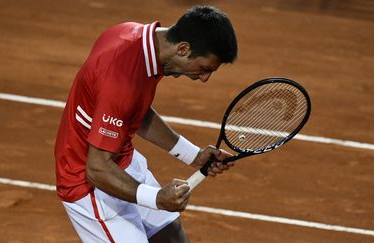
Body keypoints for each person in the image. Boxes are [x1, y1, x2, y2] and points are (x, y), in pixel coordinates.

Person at [54, 5, 238, 243]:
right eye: (204, 69)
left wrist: (193, 155)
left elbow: (134, 110)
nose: (204, 79)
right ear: (183, 48)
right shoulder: (121, 79)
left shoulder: (135, 37)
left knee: (172, 238)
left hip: (121, 159)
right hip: (90, 184)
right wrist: (157, 198)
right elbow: (96, 169)